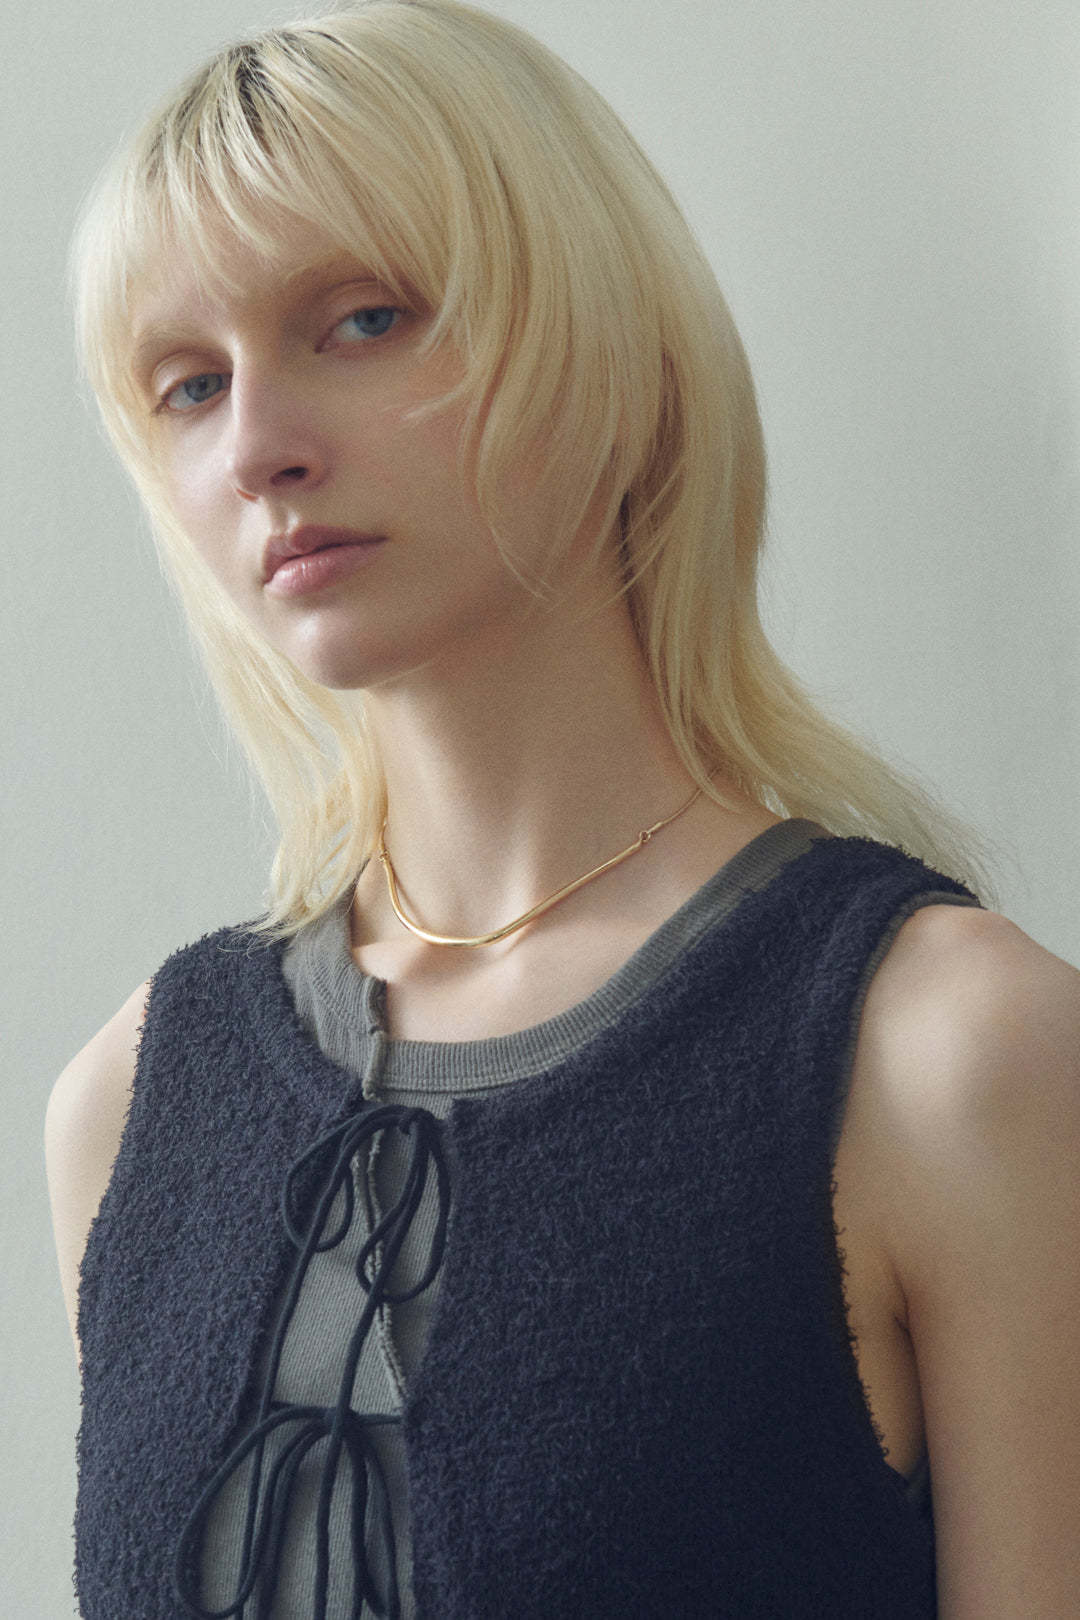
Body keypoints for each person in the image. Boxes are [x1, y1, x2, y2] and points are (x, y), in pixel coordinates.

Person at [45, 1, 1080, 1615]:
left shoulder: (951, 1056)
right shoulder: (128, 1103)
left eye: (365, 318)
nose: (257, 446)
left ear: (608, 340)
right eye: (187, 386)